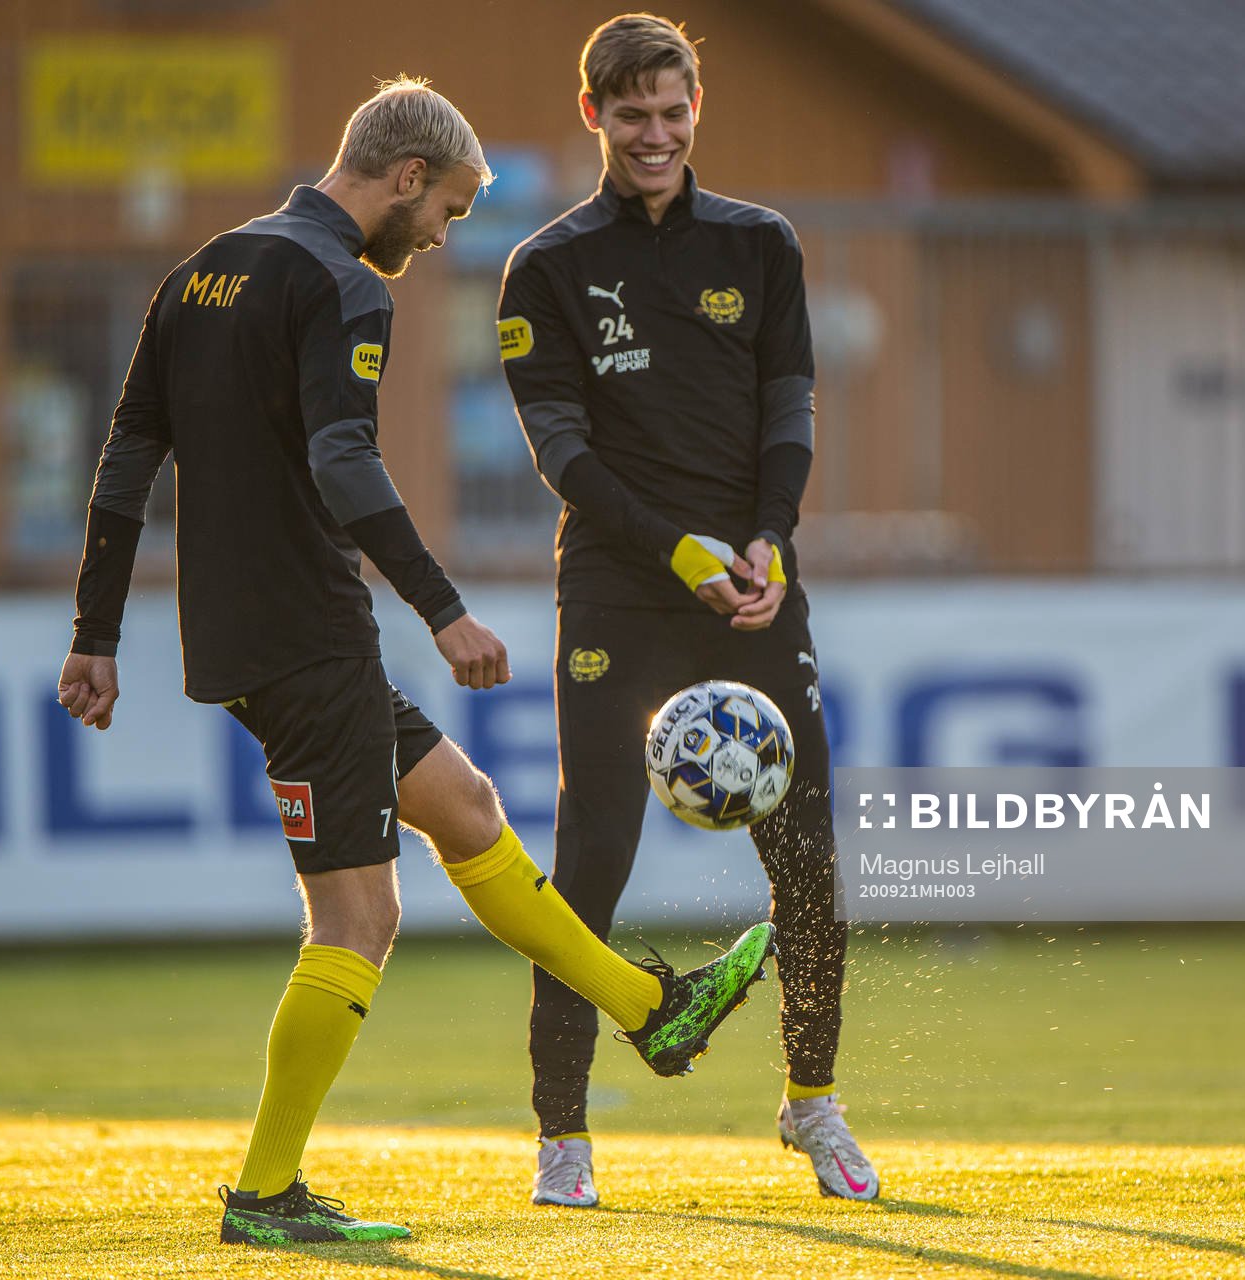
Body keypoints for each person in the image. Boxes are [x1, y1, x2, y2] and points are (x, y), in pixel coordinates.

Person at [54, 77, 775, 1247]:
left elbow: (130, 454)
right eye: (443, 209)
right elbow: (346, 462)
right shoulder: (339, 283)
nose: (440, 236)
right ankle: (266, 1193)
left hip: (242, 633)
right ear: (402, 177)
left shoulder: (202, 272)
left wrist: (96, 630)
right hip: (305, 632)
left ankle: (652, 1006)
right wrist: (443, 610)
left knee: (469, 808)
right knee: (357, 920)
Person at [497, 15, 876, 1206]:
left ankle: (811, 1104)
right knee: (590, 863)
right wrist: (677, 550)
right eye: (630, 115)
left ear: (696, 108)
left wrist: (769, 538)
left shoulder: (762, 245)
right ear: (594, 116)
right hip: (619, 586)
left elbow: (792, 408)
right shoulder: (544, 268)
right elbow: (560, 451)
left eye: (672, 112)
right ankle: (563, 1136)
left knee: (807, 859)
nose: (653, 135)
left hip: (753, 591)